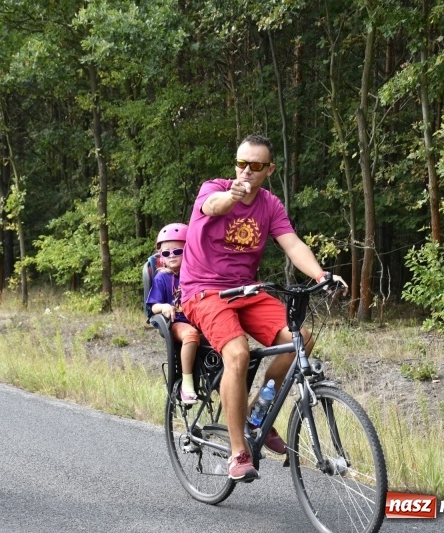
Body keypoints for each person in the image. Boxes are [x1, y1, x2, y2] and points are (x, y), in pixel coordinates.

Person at [179, 134, 346, 482]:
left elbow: (292, 244)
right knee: (237, 354)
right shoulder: (215, 187)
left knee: (300, 338)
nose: (246, 171)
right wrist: (231, 196)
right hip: (203, 291)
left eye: (256, 166)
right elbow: (213, 207)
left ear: (269, 169)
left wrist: (321, 274)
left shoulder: (270, 205)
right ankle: (239, 451)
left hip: (247, 291)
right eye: (241, 164)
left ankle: (259, 410)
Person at [146, 223, 200, 404]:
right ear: (161, 257)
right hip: (177, 322)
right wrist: (163, 307)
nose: (172, 256)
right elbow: (152, 306)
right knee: (191, 335)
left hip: (198, 319)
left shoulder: (197, 275)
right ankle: (187, 384)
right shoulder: (162, 277)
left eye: (177, 251)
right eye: (166, 253)